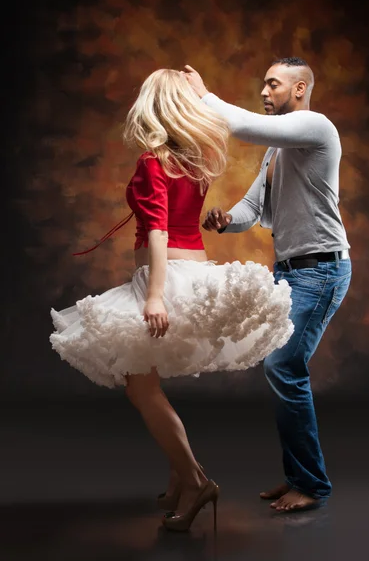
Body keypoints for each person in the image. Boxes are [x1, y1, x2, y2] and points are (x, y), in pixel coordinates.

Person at [50, 69, 293, 530]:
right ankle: (183, 480)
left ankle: (197, 480)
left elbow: (158, 231)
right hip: (195, 271)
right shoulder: (196, 160)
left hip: (165, 277)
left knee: (141, 386)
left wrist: (155, 295)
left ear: (154, 105)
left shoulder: (153, 160)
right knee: (145, 381)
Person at [183, 58, 352, 512]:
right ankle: (299, 474)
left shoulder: (316, 127)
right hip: (291, 270)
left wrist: (203, 94)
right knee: (281, 369)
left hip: (321, 270)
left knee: (283, 366)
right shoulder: (277, 152)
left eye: (273, 84)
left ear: (299, 90)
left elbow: (243, 125)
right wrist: (225, 220)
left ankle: (311, 484)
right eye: (263, 83)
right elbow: (252, 208)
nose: (264, 90)